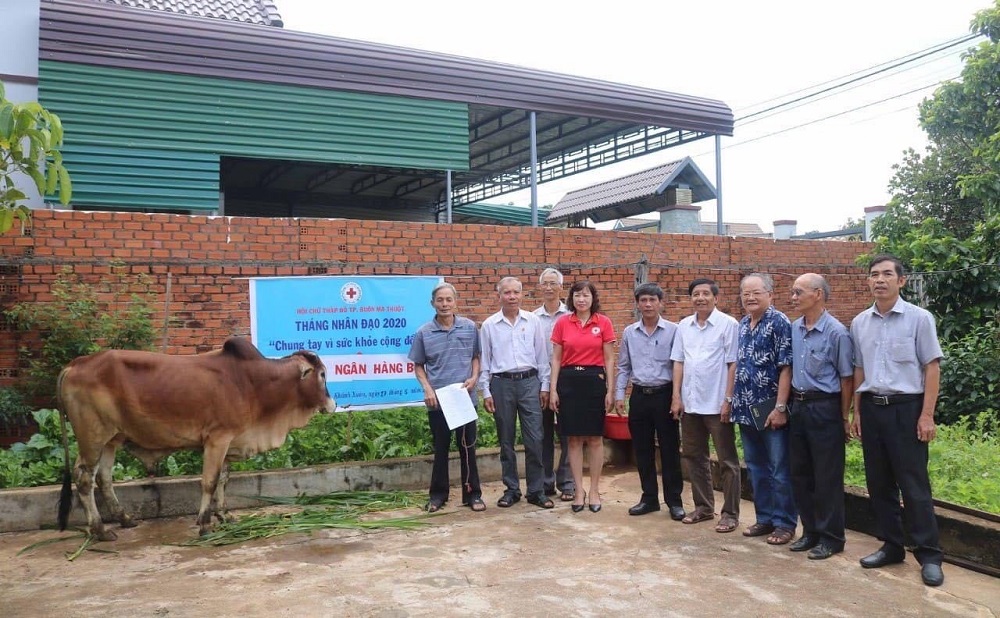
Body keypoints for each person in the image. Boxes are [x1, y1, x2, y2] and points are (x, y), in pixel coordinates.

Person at [851, 255, 945, 587]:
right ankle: (892, 546)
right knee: (879, 484)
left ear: (901, 281)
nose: (880, 279)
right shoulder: (860, 322)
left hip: (907, 409)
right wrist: (857, 412)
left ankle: (929, 555)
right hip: (873, 409)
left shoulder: (919, 319)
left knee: (914, 485)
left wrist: (927, 415)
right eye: (874, 274)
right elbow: (859, 369)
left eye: (887, 274)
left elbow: (931, 367)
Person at [787, 273, 853, 559]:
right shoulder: (794, 328)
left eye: (798, 292)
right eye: (793, 292)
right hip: (798, 406)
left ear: (818, 294)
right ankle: (810, 531)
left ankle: (832, 537)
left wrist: (843, 417)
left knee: (827, 476)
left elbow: (846, 379)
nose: (793, 297)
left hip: (825, 407)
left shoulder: (837, 332)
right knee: (801, 473)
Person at [669, 278, 742, 533]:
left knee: (727, 461)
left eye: (705, 294)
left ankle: (730, 514)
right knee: (693, 457)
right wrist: (676, 397)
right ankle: (703, 507)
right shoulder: (684, 326)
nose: (700, 298)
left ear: (716, 298)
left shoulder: (728, 325)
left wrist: (728, 399)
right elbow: (679, 362)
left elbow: (733, 364)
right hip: (690, 405)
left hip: (717, 404)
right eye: (695, 294)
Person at [732, 273, 797, 545]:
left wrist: (780, 407)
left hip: (771, 409)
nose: (750, 297)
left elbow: (786, 367)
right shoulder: (743, 324)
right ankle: (765, 518)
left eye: (756, 292)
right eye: (745, 293)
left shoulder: (779, 322)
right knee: (756, 467)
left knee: (779, 469)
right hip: (746, 409)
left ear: (770, 294)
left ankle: (785, 523)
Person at [408, 282, 485, 513]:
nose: (444, 304)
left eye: (448, 299)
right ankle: (437, 496)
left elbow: (476, 357)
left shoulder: (469, 327)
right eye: (440, 300)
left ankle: (473, 495)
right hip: (438, 401)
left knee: (467, 449)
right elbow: (418, 365)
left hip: (464, 399)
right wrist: (427, 389)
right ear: (432, 303)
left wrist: (474, 377)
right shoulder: (424, 333)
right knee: (441, 450)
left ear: (455, 302)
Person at [478, 276, 553, 509]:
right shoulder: (489, 325)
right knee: (506, 439)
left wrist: (545, 386)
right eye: (507, 292)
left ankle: (536, 491)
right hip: (502, 384)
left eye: (516, 292)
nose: (512, 297)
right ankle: (511, 489)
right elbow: (485, 360)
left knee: (535, 438)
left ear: (522, 294)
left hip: (530, 382)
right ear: (499, 296)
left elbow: (542, 356)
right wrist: (486, 391)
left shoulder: (533, 321)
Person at [615, 283, 685, 520]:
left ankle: (674, 501)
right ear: (637, 304)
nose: (647, 304)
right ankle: (649, 499)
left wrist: (677, 398)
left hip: (665, 395)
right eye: (643, 300)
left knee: (669, 450)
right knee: (642, 450)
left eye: (652, 300)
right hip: (639, 396)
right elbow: (624, 366)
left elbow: (679, 365)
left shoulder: (674, 331)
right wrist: (619, 395)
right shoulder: (629, 332)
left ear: (660, 303)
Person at [550, 280, 616, 513]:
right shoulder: (562, 322)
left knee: (595, 439)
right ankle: (579, 490)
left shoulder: (603, 322)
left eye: (586, 295)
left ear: (593, 298)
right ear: (571, 298)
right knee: (574, 440)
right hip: (568, 382)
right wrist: (553, 389)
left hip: (594, 381)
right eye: (577, 295)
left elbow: (609, 358)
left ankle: (595, 490)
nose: (581, 299)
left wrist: (610, 390)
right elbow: (556, 358)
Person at [534, 267, 575, 502]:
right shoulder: (532, 318)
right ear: (540, 287)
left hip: (567, 380)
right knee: (543, 433)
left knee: (568, 433)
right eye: (545, 283)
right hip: (540, 381)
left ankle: (567, 482)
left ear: (561, 287)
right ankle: (545, 482)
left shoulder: (571, 316)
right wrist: (544, 385)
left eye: (553, 283)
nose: (549, 288)